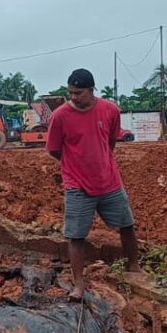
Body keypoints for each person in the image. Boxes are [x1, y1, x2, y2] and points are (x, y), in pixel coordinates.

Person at [45, 67, 140, 297]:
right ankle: (79, 284)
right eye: (70, 93)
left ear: (91, 90)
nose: (73, 97)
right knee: (76, 236)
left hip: (109, 181)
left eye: (78, 92)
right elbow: (55, 150)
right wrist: (75, 165)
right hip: (77, 185)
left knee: (126, 225)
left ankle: (134, 267)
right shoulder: (60, 116)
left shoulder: (110, 110)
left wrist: (101, 162)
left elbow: (110, 141)